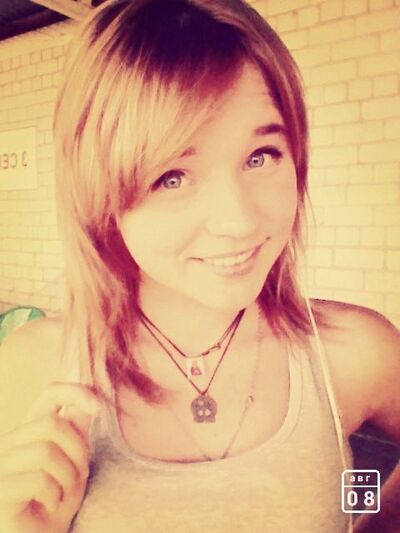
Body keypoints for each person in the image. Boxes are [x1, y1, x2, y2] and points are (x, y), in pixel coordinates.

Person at [0, 0, 399, 531]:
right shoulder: (31, 371)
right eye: (172, 176)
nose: (238, 221)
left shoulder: (354, 353)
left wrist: (368, 518)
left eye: (261, 156)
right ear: (99, 192)